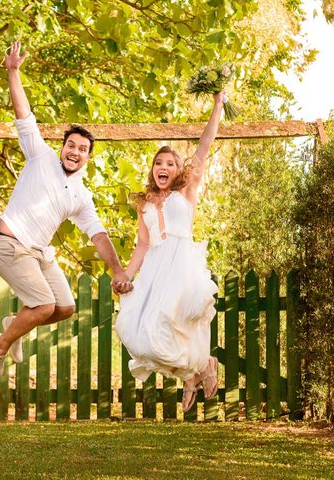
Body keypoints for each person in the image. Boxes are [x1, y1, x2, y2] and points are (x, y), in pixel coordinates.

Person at [0, 41, 132, 378]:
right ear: (62, 147)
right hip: (9, 246)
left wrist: (118, 270)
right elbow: (23, 115)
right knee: (44, 305)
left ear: (87, 157)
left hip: (38, 253)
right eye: (71, 145)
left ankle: (15, 323)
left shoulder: (81, 194)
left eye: (82, 149)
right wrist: (13, 72)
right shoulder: (39, 156)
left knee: (64, 308)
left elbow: (98, 234)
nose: (75, 152)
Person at [115, 91, 224, 412]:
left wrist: (217, 105)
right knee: (139, 334)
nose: (163, 166)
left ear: (178, 171)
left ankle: (201, 368)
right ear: (153, 170)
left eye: (171, 163)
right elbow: (142, 245)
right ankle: (196, 371)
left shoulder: (186, 193)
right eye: (159, 163)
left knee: (173, 323)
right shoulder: (145, 203)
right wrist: (125, 275)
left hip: (182, 265)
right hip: (153, 269)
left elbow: (203, 148)